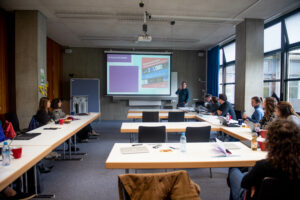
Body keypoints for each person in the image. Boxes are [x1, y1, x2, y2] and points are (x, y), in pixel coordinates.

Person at [228, 119, 300, 200]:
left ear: (271, 142)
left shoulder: (264, 166)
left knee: (233, 169)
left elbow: (244, 184)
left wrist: (253, 185)